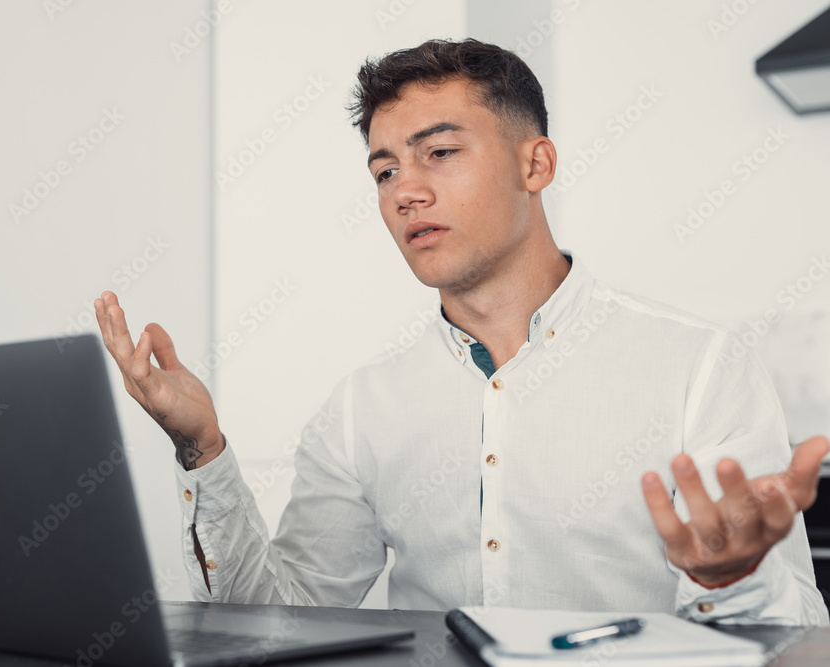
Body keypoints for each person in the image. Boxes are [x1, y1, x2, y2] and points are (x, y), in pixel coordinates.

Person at [94, 38, 829, 625]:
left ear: (534, 162)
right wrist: (203, 447)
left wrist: (728, 574)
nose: (405, 190)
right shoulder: (362, 408)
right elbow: (280, 621)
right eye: (384, 171)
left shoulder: (699, 368)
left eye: (438, 153)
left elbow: (801, 632)